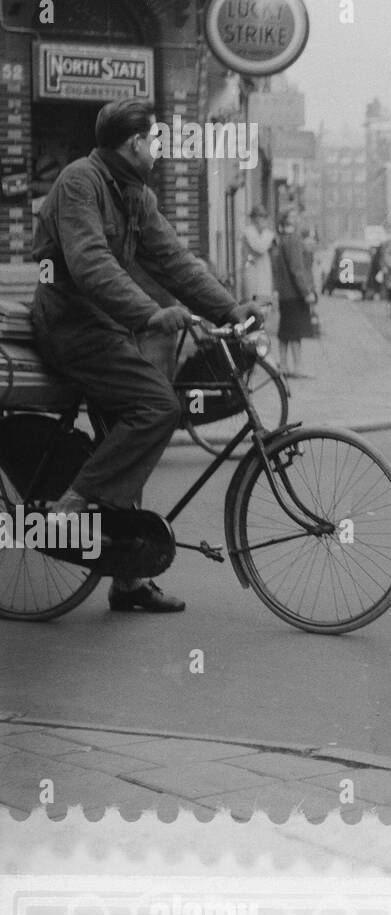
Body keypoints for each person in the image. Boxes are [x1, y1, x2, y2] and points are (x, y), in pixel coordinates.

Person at [30, 99, 260, 614]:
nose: (159, 149)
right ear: (135, 143)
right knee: (159, 406)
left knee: (125, 442)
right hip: (70, 326)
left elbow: (176, 262)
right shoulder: (79, 183)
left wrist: (229, 308)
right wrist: (149, 314)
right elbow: (89, 265)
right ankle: (70, 507)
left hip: (106, 328)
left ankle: (127, 579)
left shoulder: (135, 195)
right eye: (156, 140)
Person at [271, 209, 315, 377]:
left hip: (284, 293)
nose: (299, 219)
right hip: (295, 293)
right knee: (295, 332)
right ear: (290, 221)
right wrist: (306, 292)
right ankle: (297, 367)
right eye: (295, 216)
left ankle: (283, 365)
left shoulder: (282, 239)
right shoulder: (295, 240)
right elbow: (297, 268)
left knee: (285, 330)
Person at [240, 204, 275, 305]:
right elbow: (260, 248)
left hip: (263, 276)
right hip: (253, 276)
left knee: (264, 307)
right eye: (261, 217)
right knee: (253, 307)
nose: (264, 221)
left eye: (265, 217)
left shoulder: (263, 233)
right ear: (255, 218)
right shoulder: (249, 232)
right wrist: (268, 234)